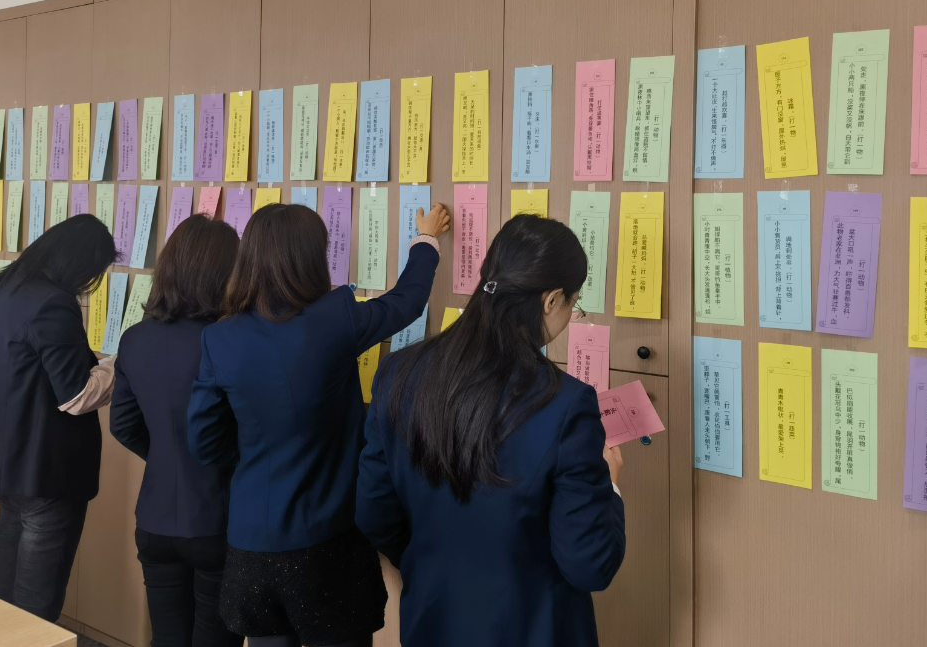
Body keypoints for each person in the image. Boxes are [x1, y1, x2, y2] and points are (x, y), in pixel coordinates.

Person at [354, 214, 625, 647]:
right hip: (533, 628)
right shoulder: (568, 404)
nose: (570, 315)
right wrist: (608, 484)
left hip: (433, 619)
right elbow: (589, 564)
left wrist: (435, 560)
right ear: (551, 300)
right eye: (574, 303)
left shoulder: (398, 373)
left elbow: (373, 511)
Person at [189, 200, 451, 647]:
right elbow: (405, 302)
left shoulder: (220, 338)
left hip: (252, 545)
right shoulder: (334, 319)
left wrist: (256, 448)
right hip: (328, 538)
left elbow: (204, 442)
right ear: (310, 258)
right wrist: (426, 240)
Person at [0, 214, 118, 622]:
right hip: (46, 466)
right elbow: (76, 395)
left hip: (7, 460)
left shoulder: (1, 291)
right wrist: (123, 361)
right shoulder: (53, 303)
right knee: (37, 599)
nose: (89, 283)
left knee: (4, 584)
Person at [111, 214, 242, 647]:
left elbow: (123, 425)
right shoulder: (228, 340)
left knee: (167, 638)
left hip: (154, 519)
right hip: (217, 519)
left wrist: (167, 454)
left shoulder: (134, 339)